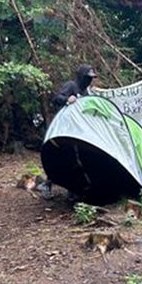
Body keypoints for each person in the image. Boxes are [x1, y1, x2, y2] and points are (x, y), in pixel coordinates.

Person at [39, 64, 98, 200]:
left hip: (78, 131)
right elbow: (55, 99)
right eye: (88, 78)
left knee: (75, 160)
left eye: (91, 78)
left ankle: (72, 190)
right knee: (60, 157)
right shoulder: (71, 86)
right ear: (82, 77)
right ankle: (46, 185)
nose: (89, 81)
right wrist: (67, 100)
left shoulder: (86, 92)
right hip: (64, 129)